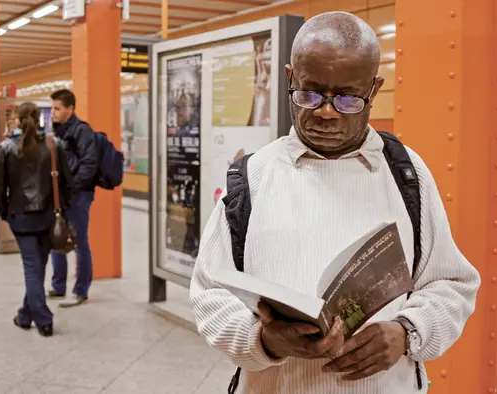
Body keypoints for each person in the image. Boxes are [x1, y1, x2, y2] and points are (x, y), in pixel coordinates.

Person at [190, 12, 480, 394]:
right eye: (310, 93)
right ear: (290, 78)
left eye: (347, 98)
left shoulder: (406, 173)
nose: (326, 112)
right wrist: (264, 340)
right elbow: (210, 295)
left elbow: (452, 283)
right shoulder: (252, 178)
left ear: (373, 91)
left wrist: (407, 332)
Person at [0, 102, 73, 337]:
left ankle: (42, 318)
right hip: (49, 217)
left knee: (32, 267)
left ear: (17, 120)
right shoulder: (53, 144)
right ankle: (25, 314)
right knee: (38, 266)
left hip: (21, 218)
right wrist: (64, 212)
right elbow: (67, 182)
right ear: (40, 119)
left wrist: (5, 213)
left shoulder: (7, 147)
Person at [48, 89, 98, 307]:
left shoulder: (82, 131)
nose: (53, 112)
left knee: (79, 242)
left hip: (79, 196)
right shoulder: (57, 132)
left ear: (70, 109)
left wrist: (73, 187)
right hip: (60, 195)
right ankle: (58, 286)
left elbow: (89, 164)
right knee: (57, 238)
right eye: (52, 108)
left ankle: (80, 290)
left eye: (57, 108)